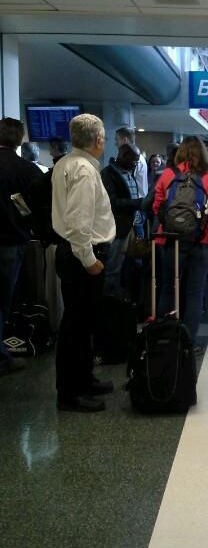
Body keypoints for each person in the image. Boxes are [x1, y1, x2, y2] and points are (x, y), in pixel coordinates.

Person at [52, 114, 116, 412]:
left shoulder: (66, 163)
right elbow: (79, 223)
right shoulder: (84, 171)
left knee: (83, 323)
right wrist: (89, 260)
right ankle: (70, 392)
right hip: (82, 256)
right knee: (76, 326)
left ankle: (84, 377)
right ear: (97, 140)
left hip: (74, 253)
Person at [153, 136, 208, 352]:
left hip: (171, 240)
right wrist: (199, 217)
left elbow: (157, 207)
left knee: (169, 289)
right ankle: (188, 342)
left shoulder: (168, 175)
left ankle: (163, 338)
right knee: (194, 291)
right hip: (203, 241)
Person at [0, 117, 43, 376]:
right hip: (10, 242)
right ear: (19, 139)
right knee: (3, 301)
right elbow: (40, 207)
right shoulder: (26, 170)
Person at [101, 143, 146, 296]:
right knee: (112, 269)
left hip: (131, 226)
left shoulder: (128, 172)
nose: (136, 164)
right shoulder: (109, 174)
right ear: (124, 156)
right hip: (117, 229)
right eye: (134, 161)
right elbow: (111, 203)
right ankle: (109, 304)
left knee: (129, 268)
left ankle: (123, 301)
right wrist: (138, 203)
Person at [115, 126, 148, 197]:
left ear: (125, 139)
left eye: (117, 140)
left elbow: (127, 181)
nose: (116, 143)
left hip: (135, 201)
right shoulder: (138, 157)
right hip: (137, 201)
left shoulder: (133, 159)